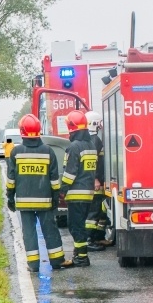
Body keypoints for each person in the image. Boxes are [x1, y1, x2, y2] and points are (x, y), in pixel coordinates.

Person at [6, 114, 69, 272]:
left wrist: (10, 198)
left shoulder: (16, 152)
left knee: (29, 233)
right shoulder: (48, 151)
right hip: (45, 200)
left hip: (24, 202)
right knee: (50, 230)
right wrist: (56, 199)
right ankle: (57, 261)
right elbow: (54, 180)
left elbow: (11, 179)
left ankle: (33, 265)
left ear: (22, 132)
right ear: (39, 131)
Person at [59, 110, 97, 267]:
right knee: (80, 224)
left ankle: (82, 257)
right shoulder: (91, 145)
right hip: (88, 194)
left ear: (71, 127)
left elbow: (70, 173)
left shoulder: (74, 147)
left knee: (75, 226)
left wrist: (62, 190)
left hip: (76, 194)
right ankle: (79, 254)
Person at [84, 111, 108, 251]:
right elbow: (93, 163)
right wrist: (96, 179)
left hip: (98, 182)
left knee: (100, 211)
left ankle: (98, 237)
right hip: (96, 183)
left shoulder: (91, 140)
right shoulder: (95, 141)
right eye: (99, 124)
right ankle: (89, 240)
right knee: (93, 212)